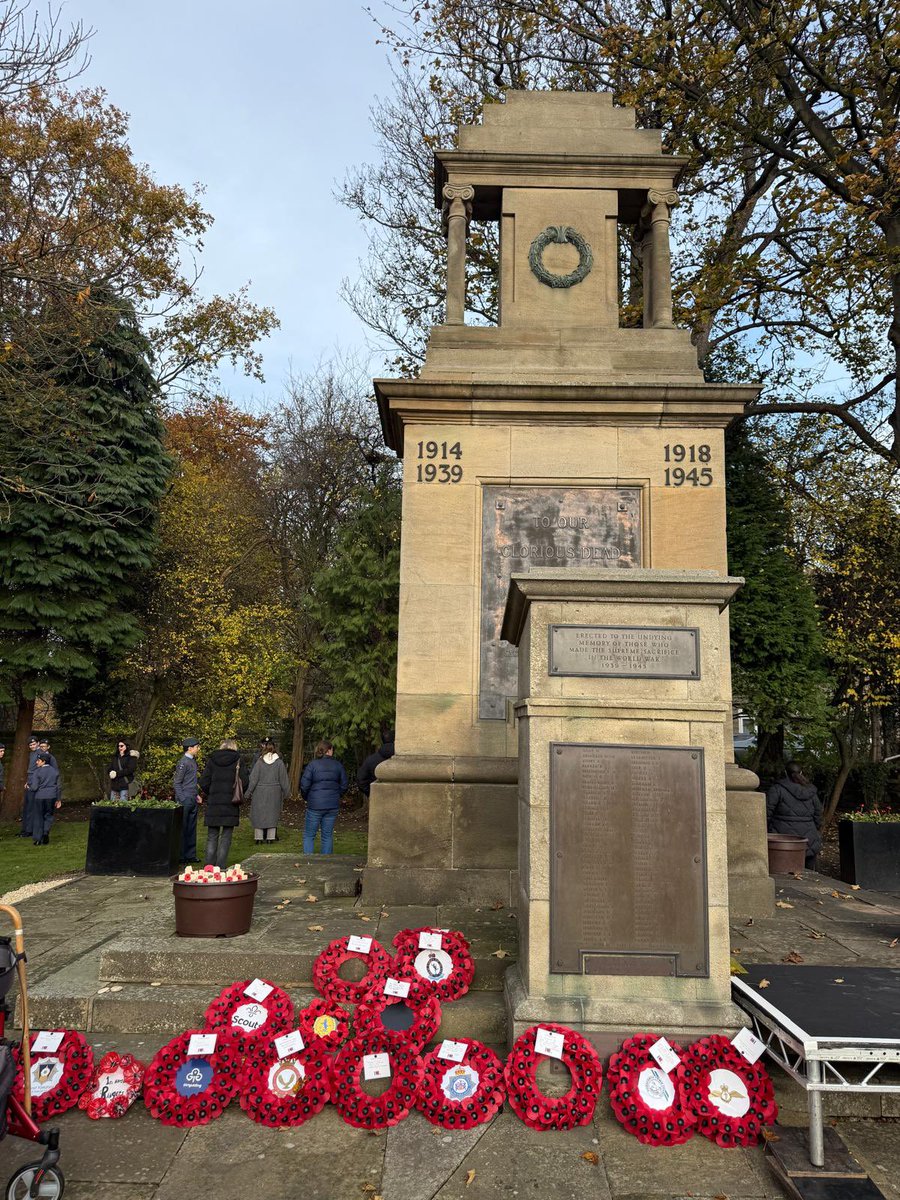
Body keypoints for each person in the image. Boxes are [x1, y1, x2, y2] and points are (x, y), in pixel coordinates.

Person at [198, 738, 248, 868]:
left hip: (214, 802)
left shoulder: (212, 761)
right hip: (231, 803)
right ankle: (220, 867)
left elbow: (204, 781)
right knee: (226, 836)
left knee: (212, 836)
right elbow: (245, 782)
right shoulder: (238, 760)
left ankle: (208, 867)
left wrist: (212, 792)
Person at [766, 761, 824, 870]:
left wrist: (768, 829)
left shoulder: (777, 789)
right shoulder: (810, 790)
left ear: (785, 772)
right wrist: (815, 830)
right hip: (808, 837)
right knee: (809, 873)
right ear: (801, 772)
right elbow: (818, 813)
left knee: (783, 871)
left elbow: (767, 812)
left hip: (782, 838)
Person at [300, 740, 347, 855]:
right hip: (332, 805)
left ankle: (308, 861)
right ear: (329, 750)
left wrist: (308, 798)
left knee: (309, 835)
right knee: (327, 835)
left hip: (315, 805)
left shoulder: (312, 765)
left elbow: (304, 785)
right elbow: (344, 785)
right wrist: (336, 795)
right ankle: (326, 862)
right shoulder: (338, 765)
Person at [246, 739, 290, 844]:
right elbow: (284, 780)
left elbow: (253, 779)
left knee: (259, 813)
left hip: (260, 791)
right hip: (275, 792)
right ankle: (270, 837)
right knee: (272, 814)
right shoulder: (279, 763)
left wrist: (247, 793)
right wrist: (287, 793)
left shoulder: (259, 762)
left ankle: (259, 838)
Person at [173, 738, 201, 865]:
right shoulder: (183, 763)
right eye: (196, 747)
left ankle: (190, 855)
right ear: (189, 748)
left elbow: (191, 781)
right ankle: (181, 855)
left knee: (191, 827)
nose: (198, 749)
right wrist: (182, 798)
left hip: (192, 797)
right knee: (183, 828)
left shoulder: (192, 761)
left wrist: (197, 795)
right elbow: (177, 782)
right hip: (185, 799)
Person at [28, 750, 61, 845]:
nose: (36, 762)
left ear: (43, 761)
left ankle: (38, 839)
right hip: (51, 796)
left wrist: (28, 788)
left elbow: (34, 787)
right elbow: (59, 787)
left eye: (38, 760)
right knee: (48, 816)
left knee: (39, 817)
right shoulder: (55, 771)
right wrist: (58, 799)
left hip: (40, 797)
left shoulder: (37, 772)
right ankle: (46, 832)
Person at [356, 731, 395, 800]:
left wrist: (371, 793)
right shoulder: (404, 759)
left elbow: (361, 779)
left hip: (378, 797)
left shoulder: (371, 760)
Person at [19, 734, 40, 837]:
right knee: (27, 807)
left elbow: (39, 771)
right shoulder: (32, 754)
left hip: (35, 784)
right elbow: (31, 770)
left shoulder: (41, 754)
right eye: (30, 745)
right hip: (30, 781)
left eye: (34, 744)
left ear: (38, 743)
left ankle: (29, 831)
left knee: (31, 808)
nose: (32, 746)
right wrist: (28, 781)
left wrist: (33, 784)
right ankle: (25, 829)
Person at [106, 738, 136, 802]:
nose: (120, 747)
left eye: (121, 746)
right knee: (113, 805)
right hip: (114, 785)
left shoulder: (131, 757)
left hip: (125, 785)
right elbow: (109, 768)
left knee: (123, 806)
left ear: (127, 746)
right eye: (118, 746)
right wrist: (111, 772)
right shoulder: (115, 757)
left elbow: (130, 769)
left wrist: (117, 773)